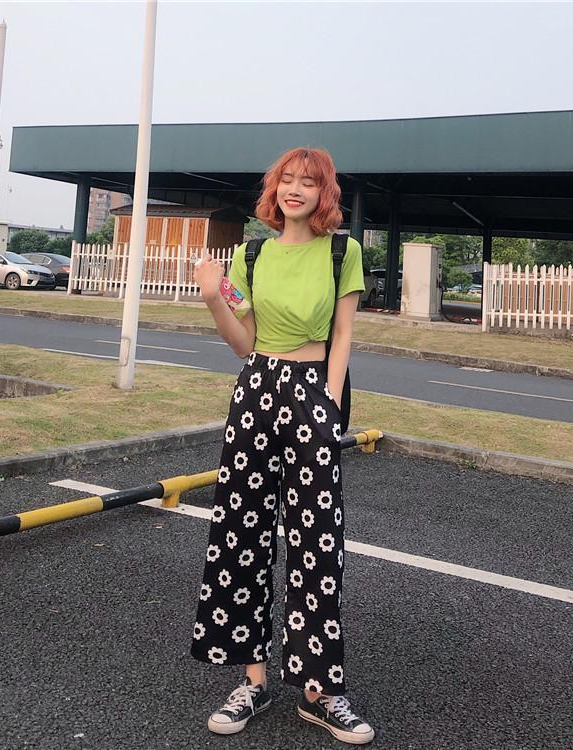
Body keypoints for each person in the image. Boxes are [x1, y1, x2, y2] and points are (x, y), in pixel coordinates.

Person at [190, 146, 375, 745]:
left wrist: (329, 402)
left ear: (325, 194)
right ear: (274, 190)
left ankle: (320, 691)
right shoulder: (250, 254)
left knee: (316, 540)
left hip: (313, 390)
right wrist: (214, 295)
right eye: (286, 180)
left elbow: (343, 335)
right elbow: (243, 343)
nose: (295, 189)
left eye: (308, 182)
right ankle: (253, 680)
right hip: (256, 388)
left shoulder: (343, 253)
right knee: (241, 531)